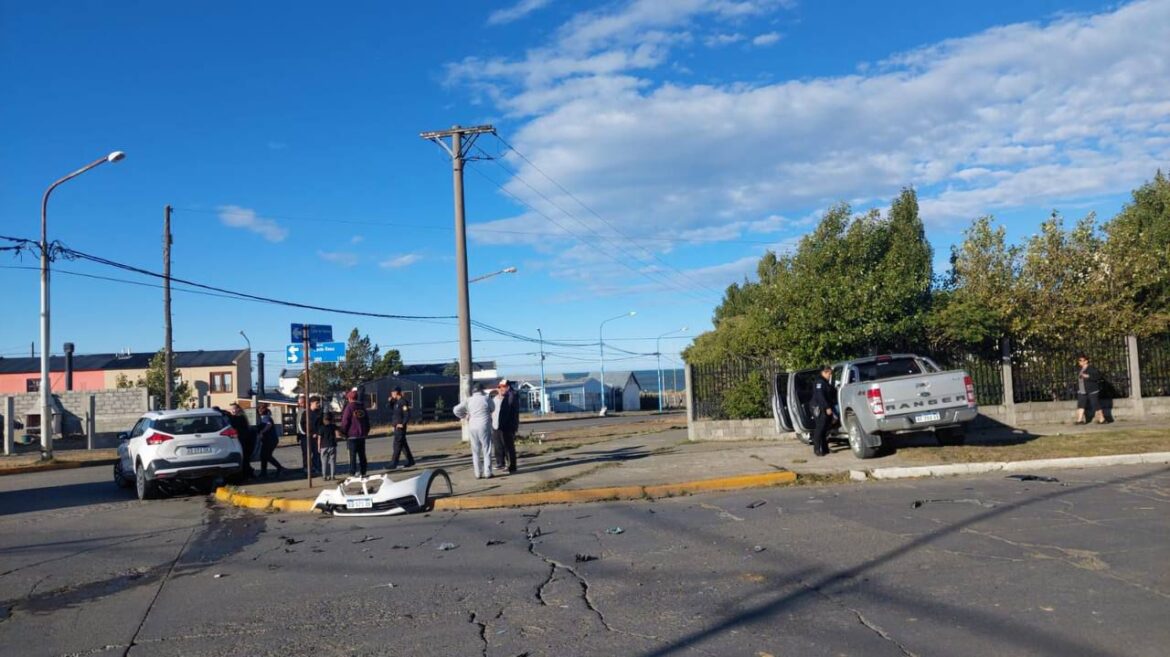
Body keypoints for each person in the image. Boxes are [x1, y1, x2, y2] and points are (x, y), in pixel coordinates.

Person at [453, 383, 495, 479]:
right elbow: (493, 408)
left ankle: (478, 473)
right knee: (486, 449)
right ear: (481, 390)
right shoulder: (486, 399)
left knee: (475, 451)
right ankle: (487, 472)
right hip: (484, 425)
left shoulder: (469, 400)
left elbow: (455, 410)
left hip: (472, 426)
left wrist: (464, 416)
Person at [491, 379, 521, 474]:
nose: (501, 389)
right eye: (499, 387)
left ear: (508, 387)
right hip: (497, 425)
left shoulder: (511, 396)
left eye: (503, 387)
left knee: (508, 446)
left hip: (507, 426)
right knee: (498, 445)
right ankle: (500, 463)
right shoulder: (499, 397)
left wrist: (503, 424)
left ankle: (512, 466)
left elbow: (507, 412)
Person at [340, 390, 371, 477]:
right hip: (362, 435)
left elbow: (345, 421)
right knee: (362, 455)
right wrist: (366, 431)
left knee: (352, 455)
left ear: (349, 398)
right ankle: (363, 471)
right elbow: (367, 421)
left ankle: (352, 472)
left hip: (352, 435)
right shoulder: (362, 407)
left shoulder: (349, 407)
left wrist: (343, 432)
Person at [810, 365, 837, 457]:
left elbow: (831, 392)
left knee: (824, 429)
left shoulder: (825, 382)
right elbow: (820, 397)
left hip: (823, 407)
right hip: (819, 408)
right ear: (824, 372)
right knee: (820, 429)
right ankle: (817, 450)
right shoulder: (820, 382)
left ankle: (825, 449)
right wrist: (827, 407)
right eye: (829, 373)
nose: (830, 375)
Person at [1075, 354, 1107, 424]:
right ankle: (1079, 420)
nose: (1080, 362)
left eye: (1082, 360)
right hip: (1082, 390)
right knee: (1081, 404)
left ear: (1086, 361)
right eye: (1079, 360)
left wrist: (1088, 376)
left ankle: (1102, 419)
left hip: (1092, 390)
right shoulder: (1080, 369)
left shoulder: (1091, 368)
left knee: (1095, 404)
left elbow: (1098, 376)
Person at [388, 387, 415, 470]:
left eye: (393, 393)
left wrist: (403, 424)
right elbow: (390, 408)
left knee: (397, 445)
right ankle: (410, 460)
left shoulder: (402, 402)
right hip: (396, 426)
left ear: (397, 393)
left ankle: (394, 463)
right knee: (403, 445)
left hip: (400, 427)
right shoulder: (396, 402)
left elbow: (407, 414)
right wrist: (390, 401)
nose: (392, 394)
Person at [255, 404, 285, 477]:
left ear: (265, 409)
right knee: (263, 456)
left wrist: (262, 432)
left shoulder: (266, 417)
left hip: (271, 440)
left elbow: (269, 425)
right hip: (267, 440)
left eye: (261, 409)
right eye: (259, 409)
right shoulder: (262, 418)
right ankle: (263, 472)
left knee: (267, 455)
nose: (260, 410)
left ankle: (280, 468)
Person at [228, 403, 256, 479]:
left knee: (244, 458)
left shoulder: (240, 417)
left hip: (244, 440)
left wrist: (228, 415)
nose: (232, 410)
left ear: (238, 409)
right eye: (231, 409)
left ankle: (248, 474)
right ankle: (249, 473)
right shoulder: (240, 417)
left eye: (233, 409)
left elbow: (234, 423)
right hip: (243, 440)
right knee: (244, 459)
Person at [297, 396, 323, 475]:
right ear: (311, 403)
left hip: (316, 437)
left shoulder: (319, 413)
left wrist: (318, 433)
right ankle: (306, 468)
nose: (318, 404)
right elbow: (300, 424)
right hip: (306, 437)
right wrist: (306, 433)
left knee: (317, 453)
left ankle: (317, 468)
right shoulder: (305, 413)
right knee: (306, 453)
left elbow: (321, 425)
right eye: (317, 403)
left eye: (319, 403)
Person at [318, 411, 339, 480]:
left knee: (324, 462)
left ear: (324, 420)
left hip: (323, 446)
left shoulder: (321, 428)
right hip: (332, 445)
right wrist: (336, 440)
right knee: (332, 461)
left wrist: (319, 447)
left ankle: (324, 476)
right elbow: (337, 435)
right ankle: (332, 476)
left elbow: (319, 438)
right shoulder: (333, 426)